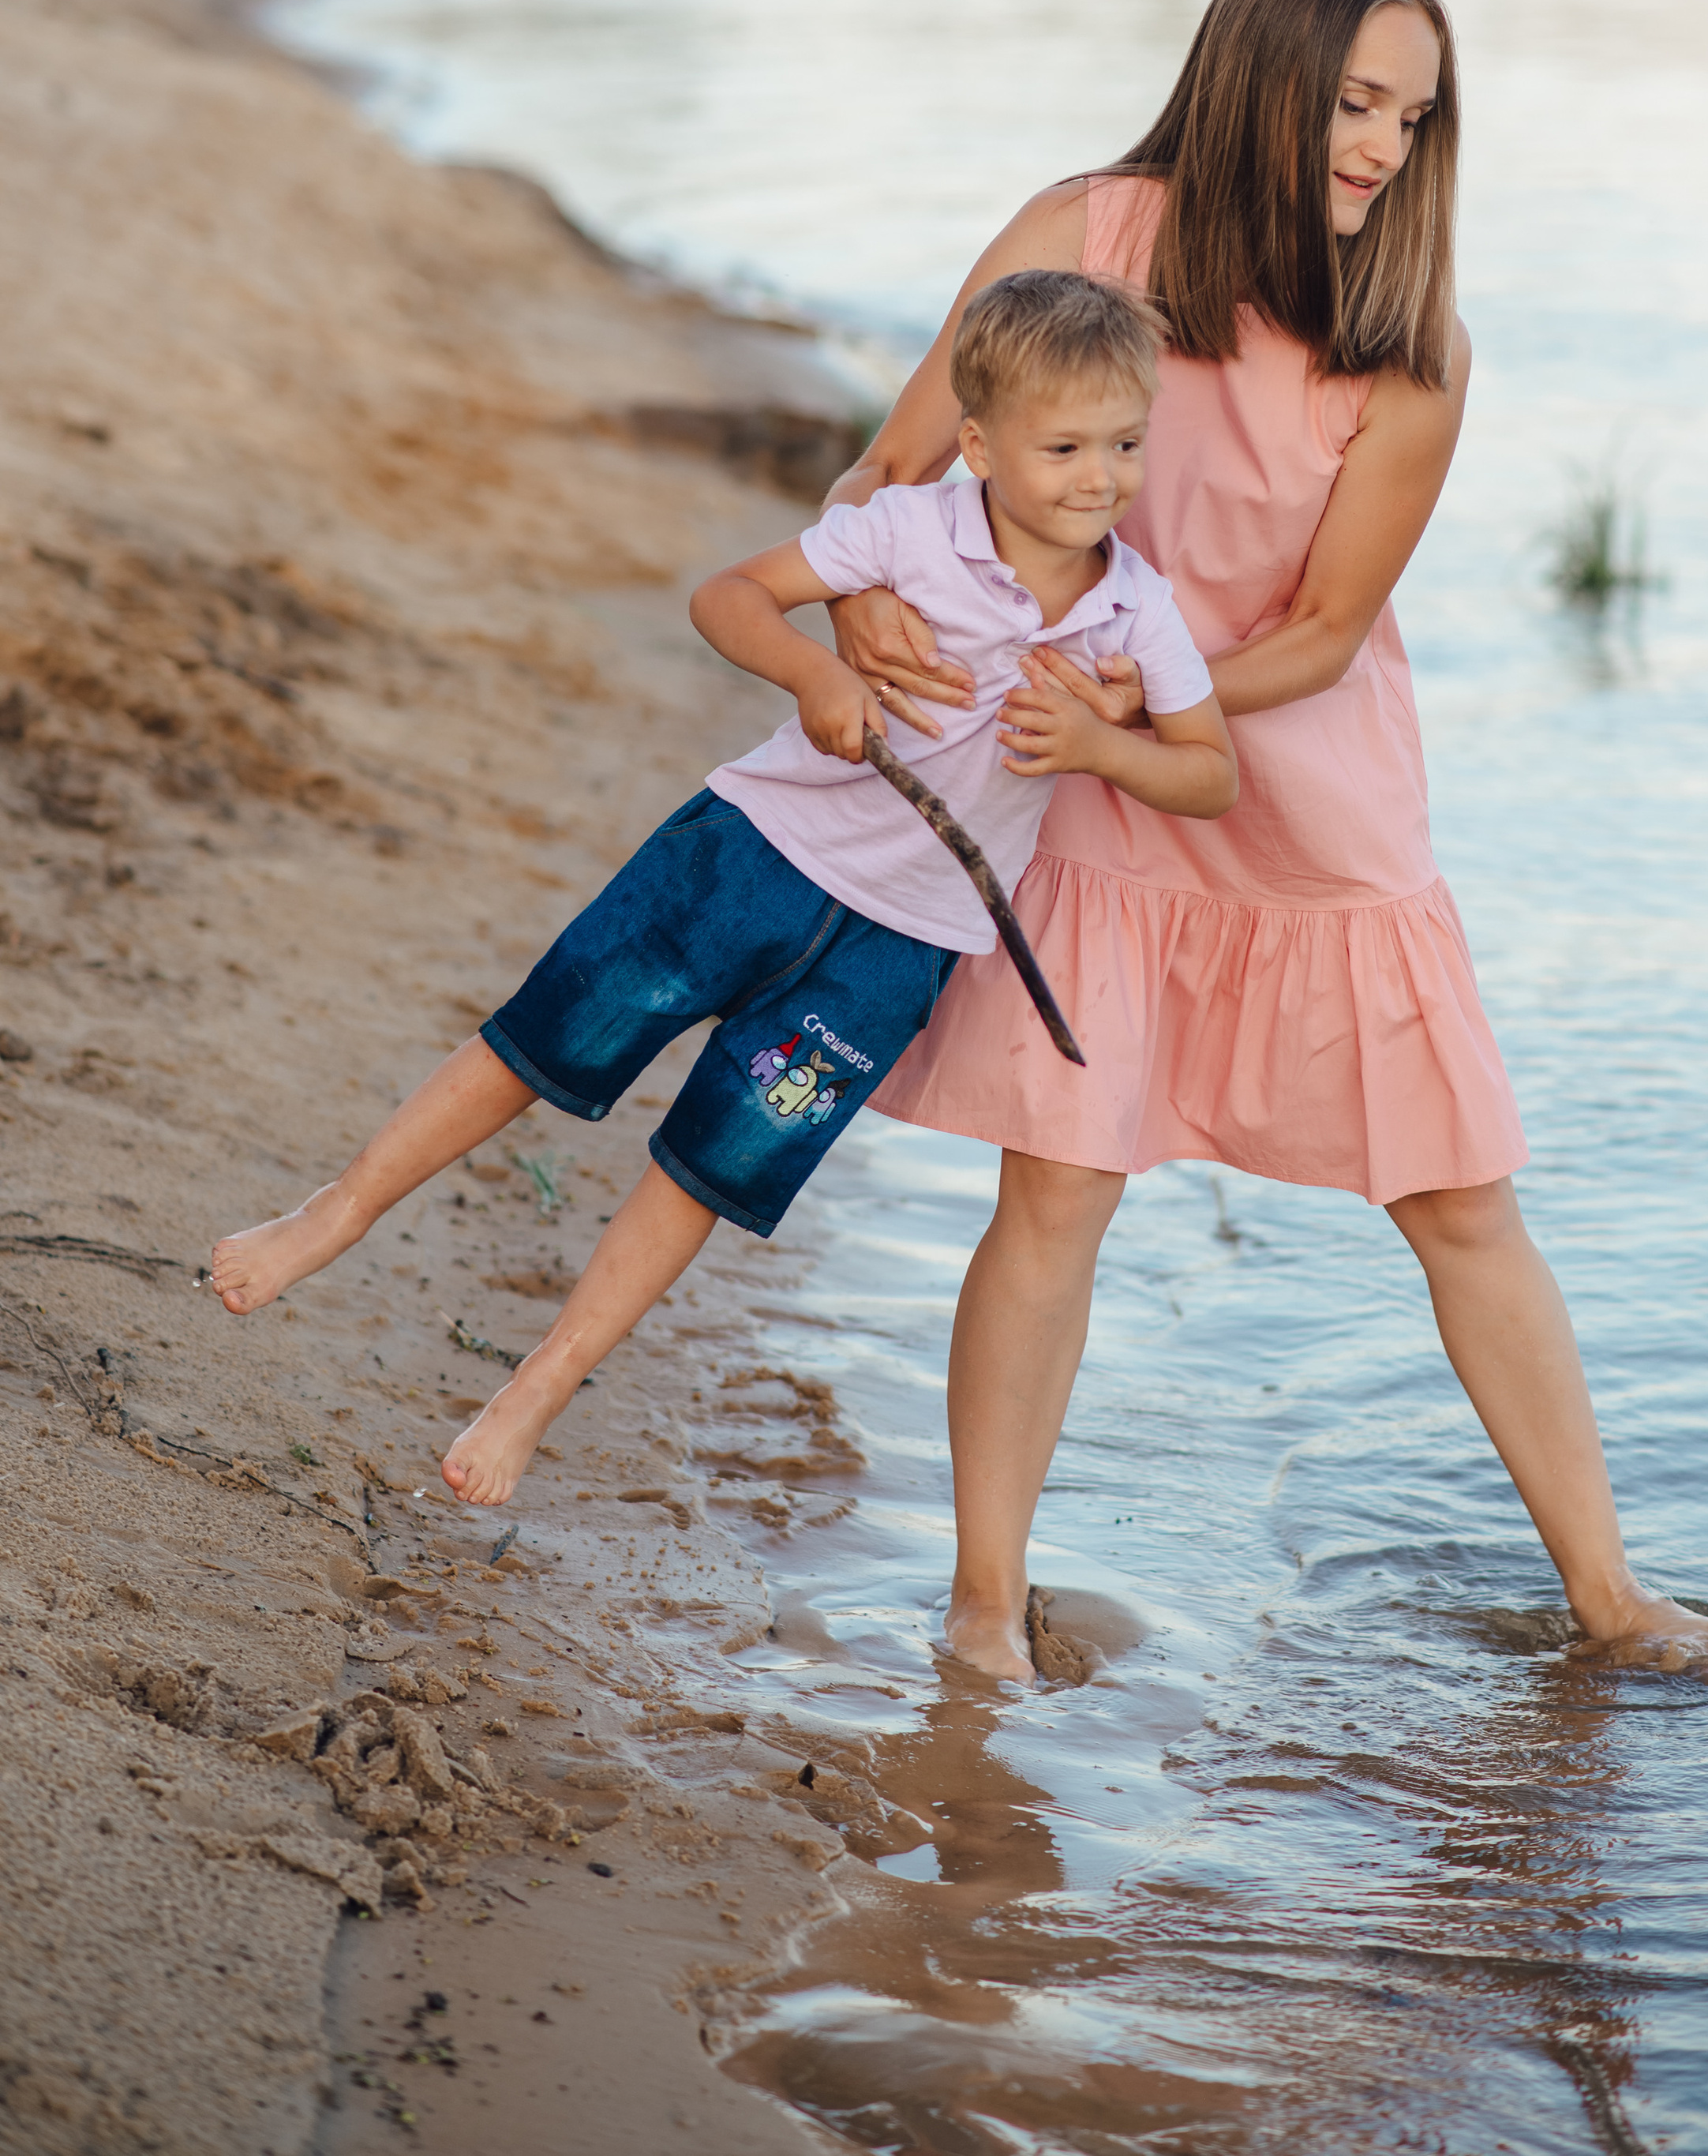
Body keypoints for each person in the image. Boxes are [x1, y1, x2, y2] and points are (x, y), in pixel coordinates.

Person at [830, 0, 1708, 1685]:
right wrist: (865, 593)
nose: (1380, 151)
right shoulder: (1082, 235)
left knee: (1460, 1197)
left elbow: (1321, 632)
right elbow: (895, 465)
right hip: (1072, 786)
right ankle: (978, 1604)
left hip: (1293, 791)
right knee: (1057, 1192)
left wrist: (1134, 693)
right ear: (1261, 78)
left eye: (1411, 120)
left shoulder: (1408, 349)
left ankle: (1611, 1598)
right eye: (1352, 104)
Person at [208, 270, 1236, 1506]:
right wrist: (811, 672)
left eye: (1125, 443)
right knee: (543, 1040)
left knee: (710, 1163)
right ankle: (339, 1207)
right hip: (744, 856)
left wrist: (1099, 748)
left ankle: (535, 1388)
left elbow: (1211, 773)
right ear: (980, 444)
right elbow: (727, 595)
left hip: (899, 948)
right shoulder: (906, 529)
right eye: (1065, 445)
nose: (1099, 476)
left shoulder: (1136, 610)